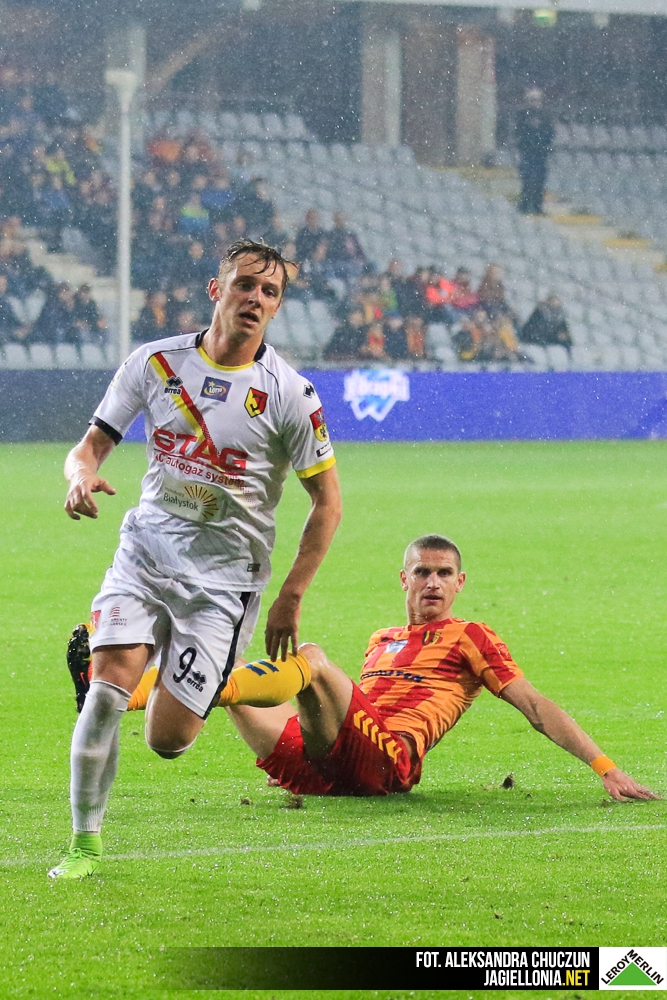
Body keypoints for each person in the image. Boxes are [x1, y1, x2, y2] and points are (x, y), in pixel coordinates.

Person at [48, 239, 342, 880]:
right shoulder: (155, 363)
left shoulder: (290, 394)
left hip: (224, 585)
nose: (255, 299)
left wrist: (291, 594)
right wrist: (79, 476)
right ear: (217, 290)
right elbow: (89, 447)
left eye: (269, 292)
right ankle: (83, 847)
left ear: (278, 307)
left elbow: (328, 503)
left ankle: (155, 676)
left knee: (168, 740)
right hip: (145, 556)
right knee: (104, 694)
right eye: (245, 285)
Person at [104, 534, 657, 803]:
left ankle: (129, 695)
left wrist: (604, 766)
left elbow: (534, 706)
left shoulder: (471, 637)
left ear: (460, 583)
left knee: (312, 659)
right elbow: (345, 709)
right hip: (329, 767)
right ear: (404, 579)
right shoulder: (382, 639)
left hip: (388, 763)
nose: (433, 583)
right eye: (423, 572)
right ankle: (116, 689)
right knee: (231, 672)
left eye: (444, 573)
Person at [516, 87, 554, 216]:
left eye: (536, 99)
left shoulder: (546, 116)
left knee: (539, 180)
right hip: (527, 152)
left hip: (540, 154)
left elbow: (550, 133)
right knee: (526, 180)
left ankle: (537, 206)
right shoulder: (522, 115)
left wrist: (542, 145)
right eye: (531, 100)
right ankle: (525, 205)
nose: (534, 103)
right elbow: (518, 132)